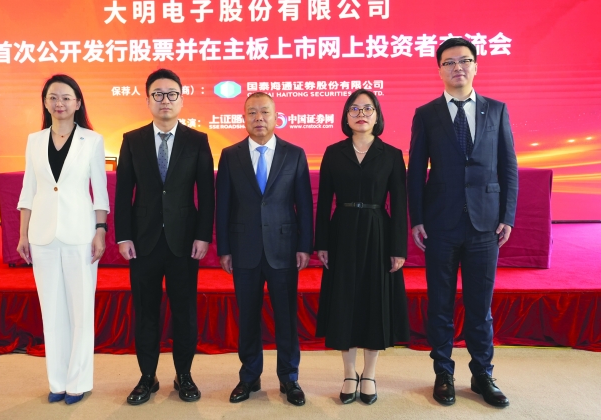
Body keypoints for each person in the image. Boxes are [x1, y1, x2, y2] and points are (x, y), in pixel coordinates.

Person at [408, 37, 518, 407]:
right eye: (449, 62)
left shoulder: (496, 110)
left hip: (486, 224)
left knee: (480, 306)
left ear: (475, 66)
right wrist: (417, 218)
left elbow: (508, 166)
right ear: (439, 69)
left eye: (465, 60)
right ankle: (443, 372)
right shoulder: (426, 114)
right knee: (440, 304)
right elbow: (415, 171)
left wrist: (507, 215)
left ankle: (482, 374)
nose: (458, 67)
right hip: (440, 223)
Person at [115, 69, 215, 405]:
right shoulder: (132, 140)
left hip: (184, 242)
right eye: (158, 94)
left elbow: (207, 193)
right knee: (146, 311)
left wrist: (203, 235)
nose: (165, 100)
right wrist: (123, 236)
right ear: (148, 100)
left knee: (184, 311)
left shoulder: (197, 141)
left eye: (172, 94)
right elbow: (123, 192)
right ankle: (147, 377)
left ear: (182, 100)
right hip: (143, 242)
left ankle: (183, 375)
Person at [216, 92, 313, 407]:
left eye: (265, 112)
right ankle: (249, 376)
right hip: (243, 248)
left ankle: (289, 377)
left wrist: (305, 245)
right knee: (247, 317)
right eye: (252, 112)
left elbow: (304, 204)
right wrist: (224, 248)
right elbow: (223, 205)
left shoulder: (294, 154)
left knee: (286, 316)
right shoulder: (230, 155)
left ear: (275, 116)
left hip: (283, 248)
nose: (259, 118)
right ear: (244, 118)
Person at [17, 74, 109, 405]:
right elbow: (28, 189)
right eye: (53, 97)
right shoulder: (34, 140)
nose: (59, 103)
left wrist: (100, 230)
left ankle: (78, 381)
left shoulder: (92, 140)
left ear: (78, 103)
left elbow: (100, 191)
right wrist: (23, 233)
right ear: (45, 102)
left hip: (80, 233)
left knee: (80, 310)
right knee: (52, 310)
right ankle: (57, 381)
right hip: (42, 235)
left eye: (66, 97)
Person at [314, 89, 410, 405]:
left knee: (373, 301)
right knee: (344, 301)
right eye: (354, 109)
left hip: (377, 231)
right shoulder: (333, 152)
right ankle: (348, 373)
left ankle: (369, 374)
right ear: (346, 116)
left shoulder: (391, 154)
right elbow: (323, 202)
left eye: (368, 109)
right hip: (341, 232)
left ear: (377, 116)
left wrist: (398, 248)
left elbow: (399, 204)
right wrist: (321, 242)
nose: (361, 114)